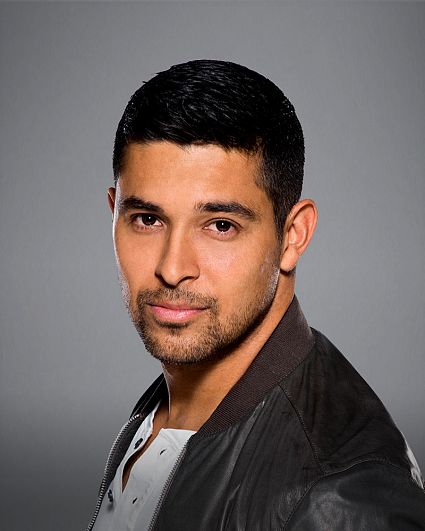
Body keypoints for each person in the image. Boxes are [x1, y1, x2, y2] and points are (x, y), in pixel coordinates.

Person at [87, 60, 425, 531]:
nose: (172, 268)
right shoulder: (166, 411)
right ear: (113, 214)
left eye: (221, 226)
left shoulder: (340, 497)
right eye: (147, 219)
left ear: (293, 236)